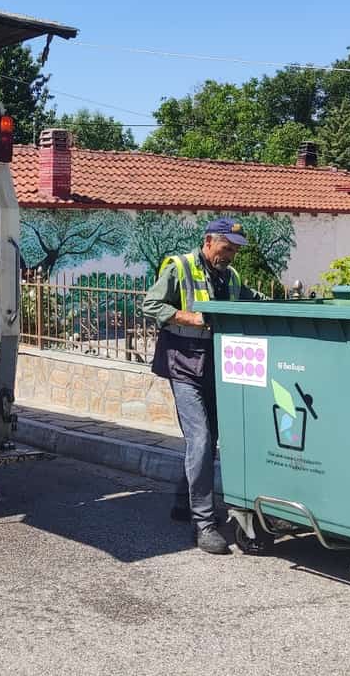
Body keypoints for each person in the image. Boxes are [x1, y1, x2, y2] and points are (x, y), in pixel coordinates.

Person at [141, 218, 264, 555]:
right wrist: (191, 317)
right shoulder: (179, 267)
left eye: (235, 251)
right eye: (226, 248)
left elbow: (254, 300)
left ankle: (184, 501)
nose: (230, 255)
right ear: (209, 241)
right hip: (183, 365)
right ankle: (204, 524)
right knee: (201, 439)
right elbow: (150, 304)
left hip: (217, 368)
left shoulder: (231, 276)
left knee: (209, 442)